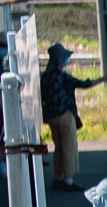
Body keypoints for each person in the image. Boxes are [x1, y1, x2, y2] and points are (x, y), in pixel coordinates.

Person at [40, 43, 98, 192]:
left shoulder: (45, 77)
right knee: (69, 146)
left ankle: (57, 177)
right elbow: (82, 84)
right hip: (65, 116)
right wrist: (103, 79)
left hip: (51, 118)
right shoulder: (62, 76)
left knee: (58, 147)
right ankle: (68, 180)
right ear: (60, 61)